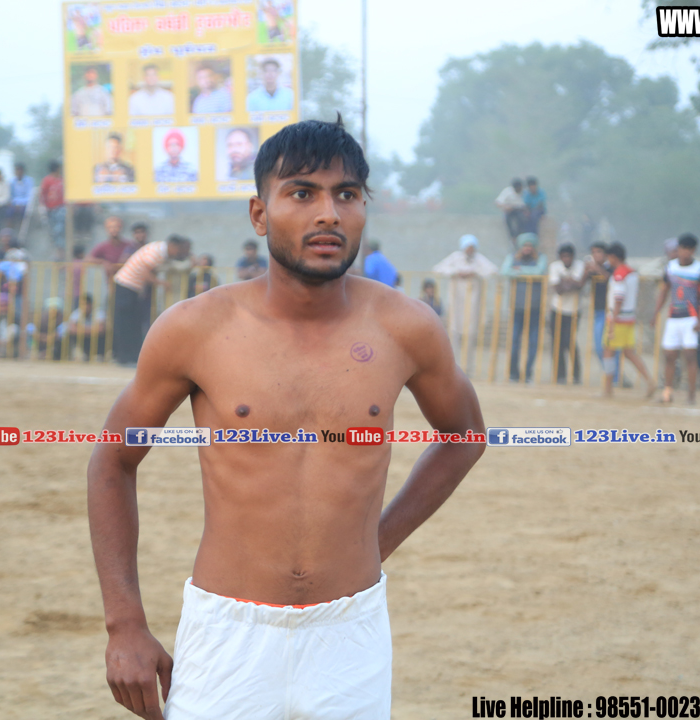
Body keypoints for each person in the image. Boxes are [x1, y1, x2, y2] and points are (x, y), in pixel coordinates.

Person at [87, 118, 485, 720]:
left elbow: (466, 437)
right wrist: (124, 625)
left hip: (350, 632)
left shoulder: (406, 327)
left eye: (347, 194)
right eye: (302, 193)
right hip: (228, 631)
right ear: (259, 213)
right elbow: (113, 461)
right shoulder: (196, 329)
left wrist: (376, 542)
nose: (329, 214)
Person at [111, 233, 192, 364]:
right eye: (178, 249)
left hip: (133, 288)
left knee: (133, 324)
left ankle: (131, 357)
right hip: (126, 285)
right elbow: (145, 271)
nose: (178, 252)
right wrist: (161, 283)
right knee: (125, 324)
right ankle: (123, 357)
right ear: (172, 246)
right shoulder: (156, 252)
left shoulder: (162, 252)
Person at [652, 233, 700, 404]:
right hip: (673, 317)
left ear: (693, 250)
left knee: (690, 356)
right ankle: (667, 392)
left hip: (690, 318)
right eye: (683, 248)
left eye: (688, 249)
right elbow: (664, 291)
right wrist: (656, 313)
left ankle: (691, 394)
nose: (685, 252)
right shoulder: (670, 267)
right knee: (669, 355)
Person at [433, 234, 498, 371]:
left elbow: (492, 270)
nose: (470, 249)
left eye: (472, 247)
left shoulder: (479, 259)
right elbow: (438, 269)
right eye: (468, 247)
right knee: (453, 332)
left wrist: (474, 272)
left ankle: (468, 367)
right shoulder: (455, 258)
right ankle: (453, 366)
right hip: (456, 301)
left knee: (471, 334)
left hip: (473, 302)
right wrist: (456, 272)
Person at [602, 242, 655, 398]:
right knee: (629, 352)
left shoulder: (620, 274)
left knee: (608, 352)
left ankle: (607, 389)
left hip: (618, 318)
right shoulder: (632, 273)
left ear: (613, 257)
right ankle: (649, 380)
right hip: (629, 318)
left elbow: (619, 299)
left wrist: (612, 321)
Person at [501, 233, 547, 383]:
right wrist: (523, 271)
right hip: (517, 307)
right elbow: (505, 271)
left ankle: (528, 373)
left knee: (533, 342)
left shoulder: (541, 258)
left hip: (535, 307)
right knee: (514, 341)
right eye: (525, 245)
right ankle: (513, 373)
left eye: (530, 245)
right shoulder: (512, 257)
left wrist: (518, 270)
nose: (527, 248)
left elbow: (539, 271)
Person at [583, 240, 621, 383]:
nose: (595, 255)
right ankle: (611, 375)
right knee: (599, 347)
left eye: (598, 252)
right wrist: (586, 271)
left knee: (613, 348)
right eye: (593, 252)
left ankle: (615, 379)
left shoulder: (612, 268)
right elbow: (581, 283)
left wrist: (598, 269)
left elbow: (612, 280)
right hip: (599, 312)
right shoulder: (592, 269)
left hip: (612, 312)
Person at [547, 243, 585, 384]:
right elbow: (559, 290)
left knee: (569, 341)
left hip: (574, 310)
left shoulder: (580, 265)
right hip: (557, 309)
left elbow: (579, 285)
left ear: (573, 257)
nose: (566, 259)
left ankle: (576, 375)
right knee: (556, 343)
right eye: (563, 256)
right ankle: (560, 375)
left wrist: (565, 281)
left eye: (569, 256)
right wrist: (572, 282)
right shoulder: (554, 266)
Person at [90, 216, 137, 282]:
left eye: (116, 227)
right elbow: (89, 258)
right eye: (110, 227)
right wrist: (103, 262)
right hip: (112, 282)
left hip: (129, 281)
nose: (114, 229)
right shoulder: (103, 246)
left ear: (121, 228)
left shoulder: (129, 245)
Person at [41, 161, 66, 261]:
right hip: (50, 209)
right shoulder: (47, 180)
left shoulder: (61, 180)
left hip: (61, 208)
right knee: (54, 231)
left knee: (59, 229)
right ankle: (57, 251)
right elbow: (43, 194)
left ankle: (60, 252)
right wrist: (44, 207)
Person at [494, 178, 527, 245]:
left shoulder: (525, 192)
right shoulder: (507, 191)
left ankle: (520, 235)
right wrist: (506, 206)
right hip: (510, 210)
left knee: (521, 219)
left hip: (520, 210)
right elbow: (498, 202)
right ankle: (513, 237)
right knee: (508, 220)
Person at [9, 162, 35, 230]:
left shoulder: (29, 181)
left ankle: (22, 231)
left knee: (24, 212)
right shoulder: (12, 181)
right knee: (8, 212)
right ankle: (9, 231)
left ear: (23, 171)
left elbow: (30, 196)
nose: (18, 172)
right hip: (14, 204)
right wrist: (15, 203)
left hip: (25, 204)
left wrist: (20, 203)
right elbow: (11, 195)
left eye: (19, 170)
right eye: (16, 170)